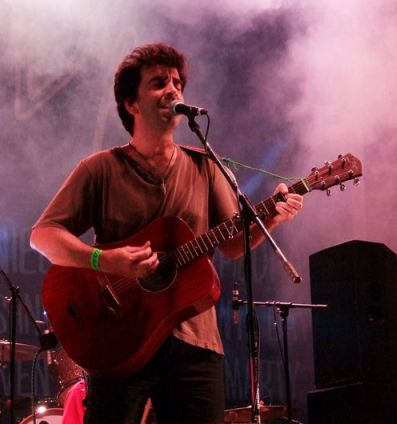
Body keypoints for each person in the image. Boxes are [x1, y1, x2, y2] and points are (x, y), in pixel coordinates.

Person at [30, 43, 303, 424]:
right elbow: (43, 234)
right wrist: (103, 260)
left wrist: (271, 217)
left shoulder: (206, 165)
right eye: (159, 83)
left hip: (194, 341)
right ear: (131, 104)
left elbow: (232, 245)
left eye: (177, 83)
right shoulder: (99, 169)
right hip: (118, 342)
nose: (173, 90)